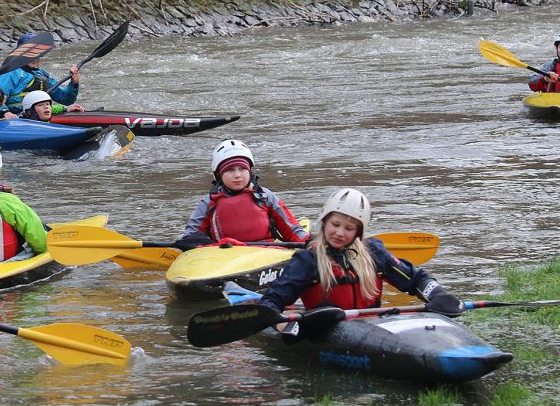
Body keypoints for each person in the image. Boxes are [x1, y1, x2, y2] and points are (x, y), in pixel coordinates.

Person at [258, 188, 462, 339]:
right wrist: (286, 326)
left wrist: (437, 294)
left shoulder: (374, 253)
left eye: (349, 228)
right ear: (324, 222)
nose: (339, 232)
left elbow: (415, 279)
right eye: (335, 224)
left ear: (358, 232)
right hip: (326, 330)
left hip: (375, 326)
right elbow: (271, 302)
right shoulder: (308, 261)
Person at [177, 139, 310, 250]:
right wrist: (193, 241)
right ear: (219, 175)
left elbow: (291, 230)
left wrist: (311, 242)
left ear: (250, 171)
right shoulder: (210, 202)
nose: (237, 175)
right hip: (223, 253)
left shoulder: (264, 196)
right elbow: (191, 234)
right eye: (230, 170)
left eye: (242, 169)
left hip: (265, 252)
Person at [0, 32, 83, 117]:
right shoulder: (11, 73)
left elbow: (66, 99)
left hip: (38, 117)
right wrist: (5, 112)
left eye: (37, 54)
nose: (35, 58)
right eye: (30, 54)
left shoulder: (42, 74)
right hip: (17, 118)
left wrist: (74, 84)